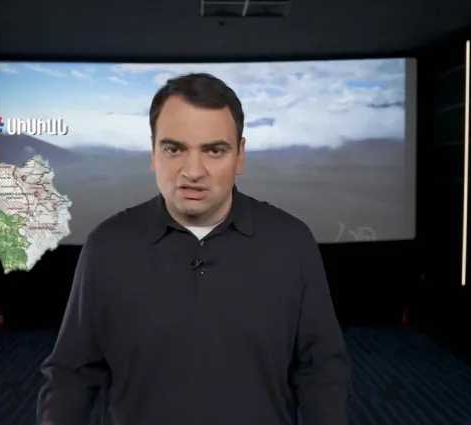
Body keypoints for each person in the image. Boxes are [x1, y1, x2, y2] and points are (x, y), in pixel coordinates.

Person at [37, 73, 351, 425]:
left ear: (240, 156)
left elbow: (321, 368)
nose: (193, 171)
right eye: (174, 149)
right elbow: (72, 372)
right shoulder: (107, 246)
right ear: (153, 153)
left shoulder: (291, 242)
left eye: (214, 150)